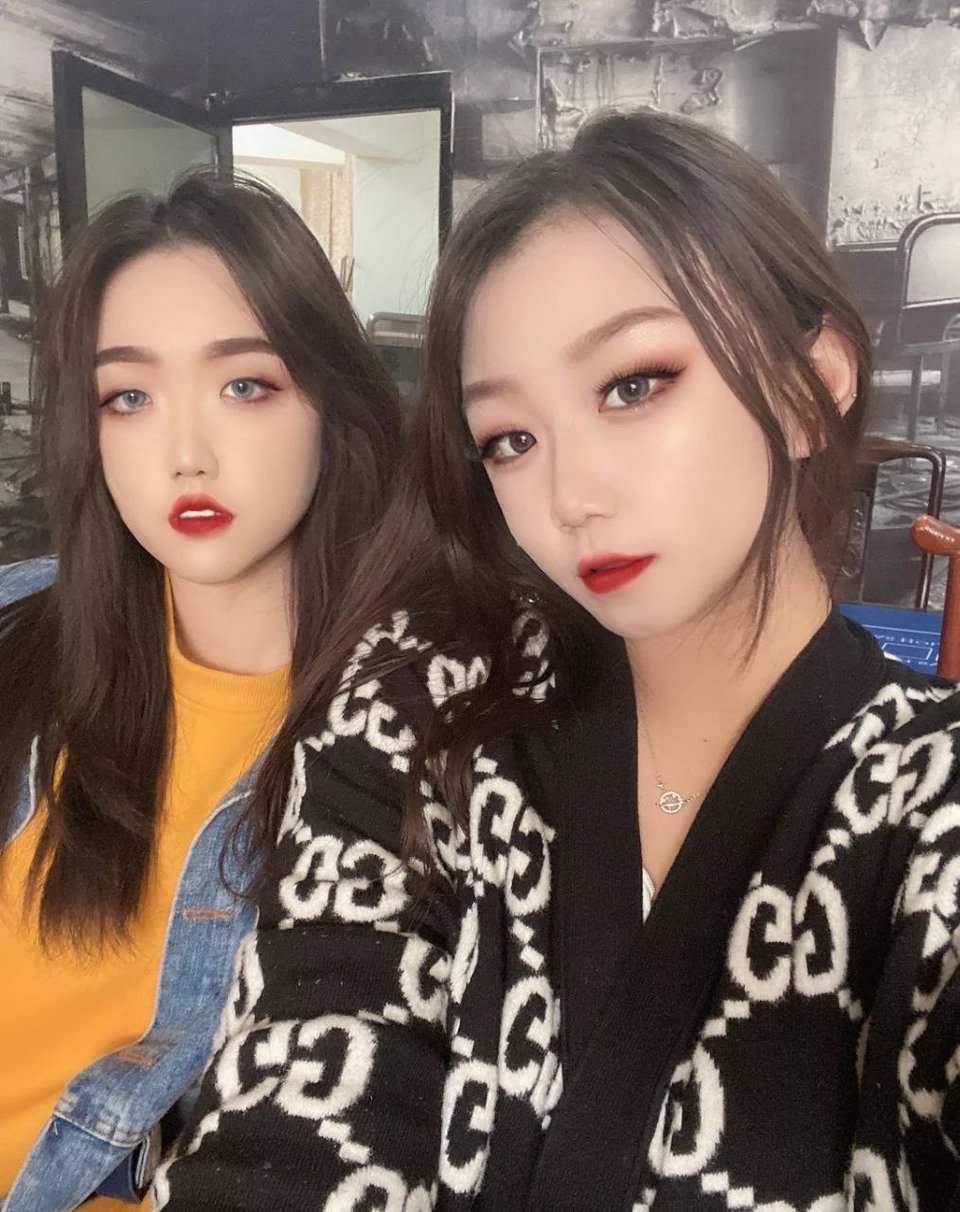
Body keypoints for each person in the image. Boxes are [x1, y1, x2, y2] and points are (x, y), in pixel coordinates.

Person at [157, 111, 960, 1210]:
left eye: (633, 385)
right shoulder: (425, 709)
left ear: (807, 387)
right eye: (510, 440)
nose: (569, 495)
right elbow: (299, 1100)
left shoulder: (932, 807)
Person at [0, 170, 401, 1211]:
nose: (185, 456)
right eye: (128, 397)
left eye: (245, 386)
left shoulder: (408, 740)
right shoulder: (18, 628)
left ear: (331, 403)